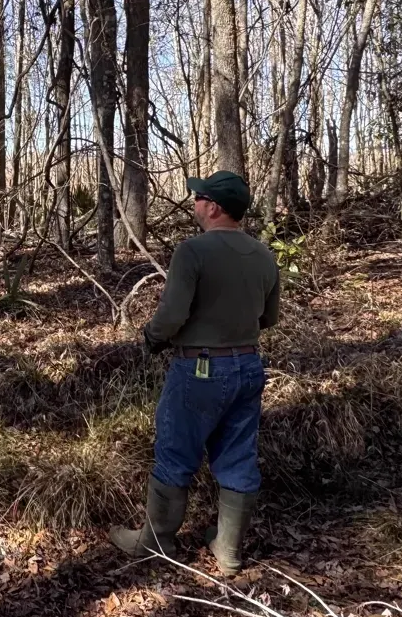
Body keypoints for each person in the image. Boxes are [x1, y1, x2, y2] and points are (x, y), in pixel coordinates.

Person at [109, 170, 280, 575]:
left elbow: (170, 316)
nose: (195, 204)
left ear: (214, 207)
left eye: (199, 198)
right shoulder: (264, 255)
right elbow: (268, 318)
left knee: (175, 450)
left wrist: (151, 337)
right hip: (249, 366)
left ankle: (155, 543)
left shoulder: (193, 252)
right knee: (238, 455)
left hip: (199, 367)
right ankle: (228, 550)